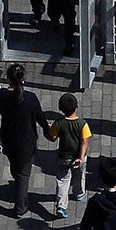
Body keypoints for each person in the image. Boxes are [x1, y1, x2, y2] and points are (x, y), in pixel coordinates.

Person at [0, 64, 45, 218]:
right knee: (24, 176)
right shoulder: (30, 98)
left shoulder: (1, 94)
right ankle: (20, 207)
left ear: (8, 78)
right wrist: (50, 130)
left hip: (8, 139)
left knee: (16, 168)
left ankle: (16, 180)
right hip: (26, 143)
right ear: (23, 79)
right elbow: (41, 119)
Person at [47, 91, 92, 219]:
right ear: (76, 106)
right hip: (79, 157)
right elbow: (85, 140)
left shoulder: (58, 123)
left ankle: (61, 206)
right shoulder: (83, 124)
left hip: (63, 157)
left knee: (62, 180)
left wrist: (47, 130)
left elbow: (53, 137)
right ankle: (79, 193)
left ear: (60, 108)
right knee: (79, 175)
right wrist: (81, 157)